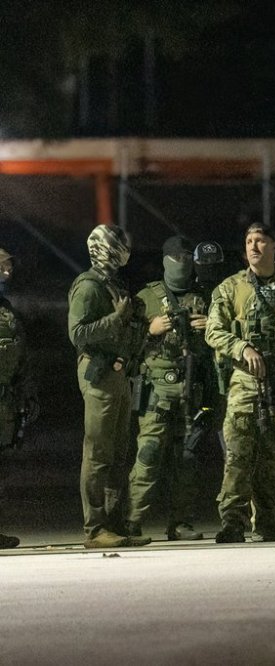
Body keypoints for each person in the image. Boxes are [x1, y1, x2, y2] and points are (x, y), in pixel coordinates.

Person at [206, 222, 275, 544]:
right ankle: (232, 522)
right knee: (238, 455)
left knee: (274, 457)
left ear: (274, 246)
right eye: (248, 241)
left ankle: (267, 520)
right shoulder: (230, 288)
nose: (253, 247)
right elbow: (212, 331)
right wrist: (241, 347)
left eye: (260, 241)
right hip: (245, 381)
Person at [123, 236, 213, 541]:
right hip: (156, 392)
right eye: (177, 258)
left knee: (186, 460)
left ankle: (181, 522)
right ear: (165, 261)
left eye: (188, 257)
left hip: (190, 389)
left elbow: (222, 342)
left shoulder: (203, 298)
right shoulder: (146, 298)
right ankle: (132, 521)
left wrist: (209, 327)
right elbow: (124, 340)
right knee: (148, 456)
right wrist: (149, 330)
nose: (183, 263)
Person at [67, 225, 152, 548]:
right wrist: (116, 318)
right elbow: (78, 334)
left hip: (118, 374)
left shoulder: (112, 283)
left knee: (119, 453)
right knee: (99, 452)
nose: (125, 251)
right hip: (100, 374)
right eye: (119, 245)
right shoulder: (88, 287)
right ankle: (95, 527)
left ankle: (114, 523)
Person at [0, 248, 37, 549]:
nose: (7, 273)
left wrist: (27, 392)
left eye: (9, 268)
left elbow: (19, 355)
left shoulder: (7, 310)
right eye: (2, 268)